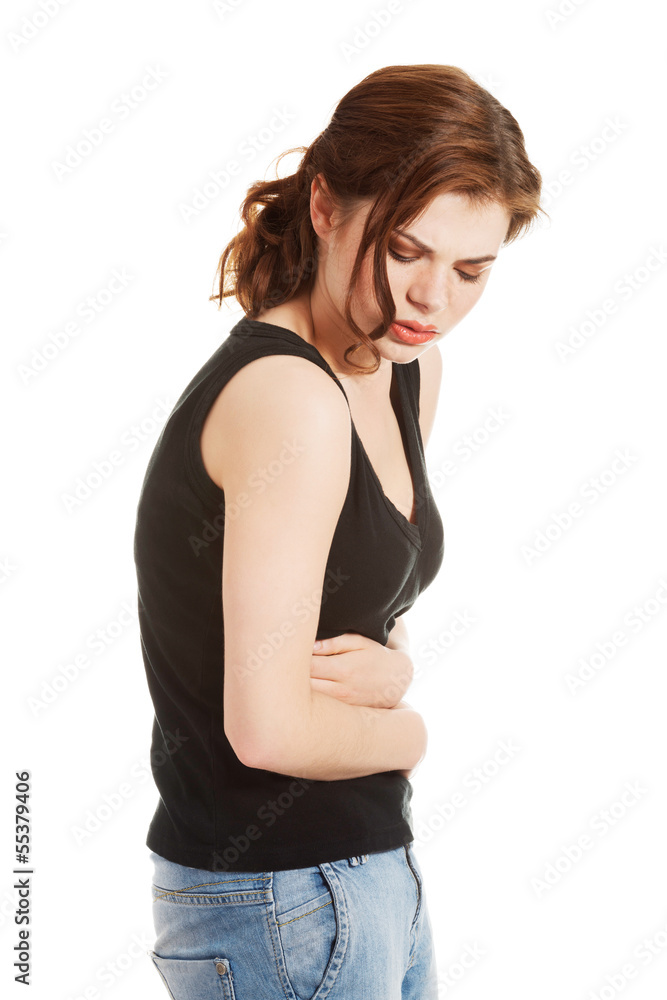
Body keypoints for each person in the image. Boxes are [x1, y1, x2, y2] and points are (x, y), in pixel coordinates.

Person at [133, 63, 543, 1000]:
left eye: (471, 270)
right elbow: (268, 730)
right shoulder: (290, 397)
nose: (432, 298)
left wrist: (391, 672)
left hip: (363, 876)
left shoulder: (403, 370)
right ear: (324, 206)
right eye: (404, 249)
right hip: (276, 897)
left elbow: (363, 616)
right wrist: (411, 731)